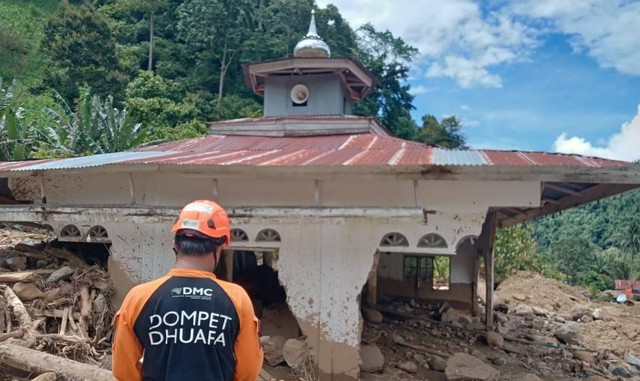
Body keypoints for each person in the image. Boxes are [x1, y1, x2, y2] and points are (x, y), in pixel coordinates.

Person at [112, 200, 263, 381]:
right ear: (221, 246)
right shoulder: (237, 299)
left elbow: (123, 370)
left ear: (176, 244)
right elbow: (248, 371)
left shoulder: (139, 297)